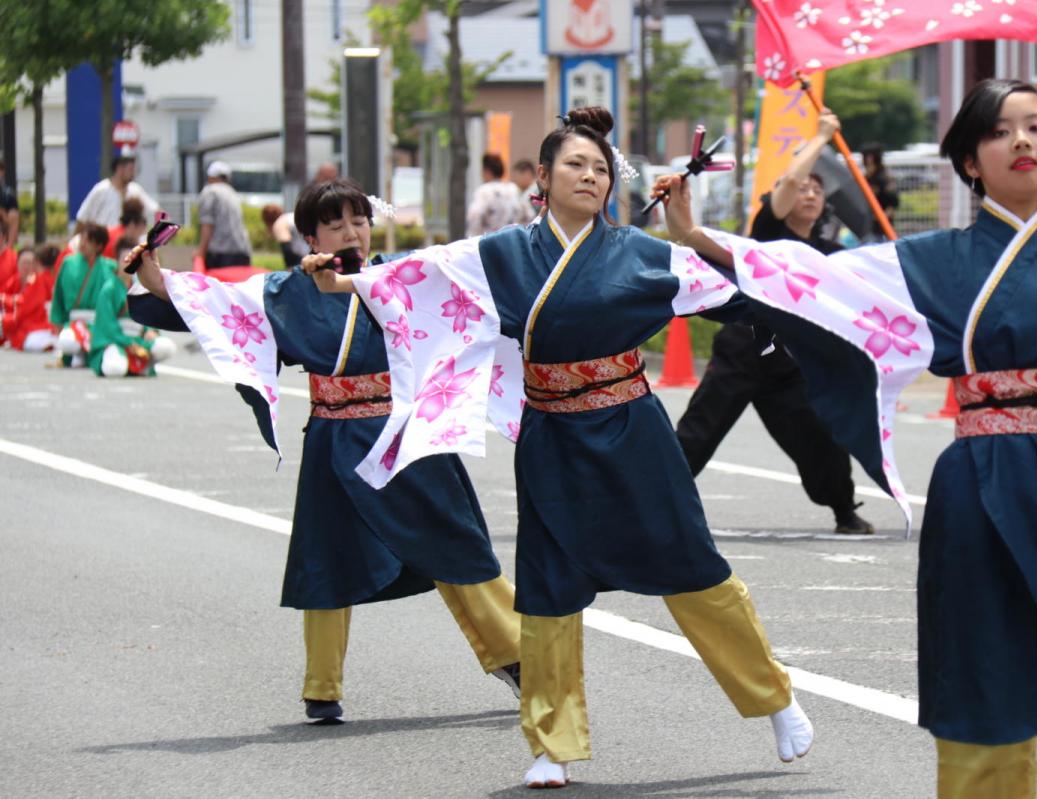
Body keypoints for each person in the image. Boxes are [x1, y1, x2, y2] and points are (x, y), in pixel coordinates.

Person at [657, 79, 1037, 797]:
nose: (1025, 141)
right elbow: (812, 279)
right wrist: (696, 236)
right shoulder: (925, 263)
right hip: (979, 485)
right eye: (1003, 130)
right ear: (970, 160)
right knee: (986, 681)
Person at [307, 107, 814, 789]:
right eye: (575, 164)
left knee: (693, 567)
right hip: (550, 432)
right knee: (546, 591)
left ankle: (773, 697)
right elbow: (417, 276)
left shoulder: (644, 252)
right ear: (541, 178)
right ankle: (554, 740)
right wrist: (343, 282)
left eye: (601, 168)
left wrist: (691, 233)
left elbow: (745, 291)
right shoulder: (503, 254)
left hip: (632, 428)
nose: (590, 175)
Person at [126, 178, 522, 724]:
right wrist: (153, 275)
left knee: (455, 543)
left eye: (357, 220)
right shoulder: (290, 290)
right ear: (310, 235)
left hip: (404, 433)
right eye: (334, 224)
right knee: (327, 556)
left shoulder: (404, 274)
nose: (350, 231)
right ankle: (321, 684)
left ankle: (519, 654)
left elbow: (480, 274)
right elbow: (214, 304)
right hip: (335, 436)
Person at [675, 112, 874, 535]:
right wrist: (821, 138)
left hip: (791, 364)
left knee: (822, 442)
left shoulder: (830, 253)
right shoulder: (768, 234)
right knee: (697, 433)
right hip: (742, 352)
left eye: (817, 189)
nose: (809, 193)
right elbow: (784, 188)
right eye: (802, 187)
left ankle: (843, 508)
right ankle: (654, 504)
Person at [86, 242, 175, 376]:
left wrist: (149, 331)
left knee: (167, 347)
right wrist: (128, 343)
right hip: (116, 340)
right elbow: (107, 325)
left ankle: (138, 364)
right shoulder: (109, 290)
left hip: (138, 339)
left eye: (133, 260)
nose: (128, 263)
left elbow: (148, 315)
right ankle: (130, 363)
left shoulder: (140, 287)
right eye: (125, 259)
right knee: (115, 369)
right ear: (117, 261)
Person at [50, 223, 117, 367]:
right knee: (67, 342)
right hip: (75, 322)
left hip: (98, 322)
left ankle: (89, 354)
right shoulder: (69, 263)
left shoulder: (111, 267)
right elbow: (59, 295)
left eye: (88, 240)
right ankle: (80, 353)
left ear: (99, 246)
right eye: (82, 238)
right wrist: (58, 321)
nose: (82, 243)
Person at [195, 161, 253, 269]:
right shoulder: (233, 193)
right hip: (242, 252)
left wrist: (200, 252)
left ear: (210, 177)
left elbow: (207, 224)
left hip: (220, 254)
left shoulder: (210, 191)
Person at [75, 153, 159, 228]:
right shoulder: (102, 189)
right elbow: (83, 218)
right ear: (120, 169)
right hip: (104, 241)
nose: (133, 173)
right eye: (130, 169)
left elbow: (155, 210)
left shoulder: (135, 190)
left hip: (127, 243)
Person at [1, 244, 58, 352]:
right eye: (23, 263)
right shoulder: (14, 281)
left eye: (30, 263)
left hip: (39, 327)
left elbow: (24, 310)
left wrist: (5, 320)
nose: (27, 267)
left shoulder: (39, 280)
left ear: (36, 263)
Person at [466, 153, 527, 236]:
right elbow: (528, 215)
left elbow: (474, 217)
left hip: (490, 242)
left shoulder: (484, 191)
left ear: (487, 171)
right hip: (513, 241)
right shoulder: (514, 189)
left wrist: (474, 239)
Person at [860, 143, 900, 243]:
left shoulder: (884, 178)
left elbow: (893, 202)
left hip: (883, 224)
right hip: (868, 223)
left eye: (871, 156)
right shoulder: (865, 178)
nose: (868, 160)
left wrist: (884, 216)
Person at [260, 203, 308, 268]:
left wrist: (291, 269)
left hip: (304, 259)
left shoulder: (279, 223)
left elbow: (287, 249)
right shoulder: (290, 217)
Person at [511, 158, 539, 224]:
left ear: (527, 173)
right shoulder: (527, 191)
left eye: (517, 176)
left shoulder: (536, 192)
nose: (515, 179)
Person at [0, 157, 19, 249]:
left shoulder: (8, 193)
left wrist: (3, 214)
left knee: (13, 215)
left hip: (3, 227)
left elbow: (12, 218)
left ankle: (8, 250)